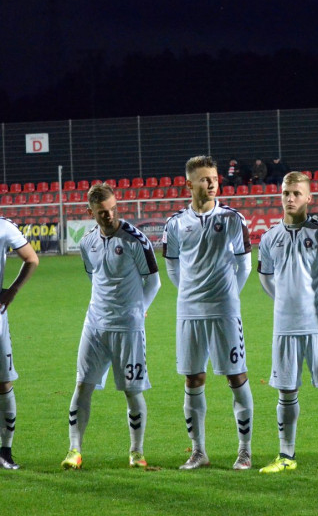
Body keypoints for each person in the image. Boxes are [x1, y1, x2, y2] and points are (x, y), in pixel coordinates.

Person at [256, 171, 318, 474]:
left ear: (309, 198)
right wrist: (285, 302)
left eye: (296, 193)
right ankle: (286, 455)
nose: (290, 198)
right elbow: (265, 276)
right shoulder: (270, 238)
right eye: (286, 192)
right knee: (286, 392)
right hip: (285, 327)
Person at [162, 155, 255, 470]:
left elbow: (244, 264)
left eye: (214, 178)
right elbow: (172, 266)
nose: (212, 183)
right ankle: (199, 452)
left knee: (236, 376)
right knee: (193, 378)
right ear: (189, 184)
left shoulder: (231, 218)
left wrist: (227, 294)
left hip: (224, 310)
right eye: (204, 179)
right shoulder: (175, 223)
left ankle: (244, 451)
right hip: (189, 311)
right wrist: (190, 292)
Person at [61, 184, 161, 470]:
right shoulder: (86, 242)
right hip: (94, 325)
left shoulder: (135, 240)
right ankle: (74, 451)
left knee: (132, 390)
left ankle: (136, 452)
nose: (109, 215)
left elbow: (153, 281)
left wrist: (139, 312)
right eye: (102, 212)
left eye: (113, 209)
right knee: (82, 385)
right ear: (90, 212)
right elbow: (94, 277)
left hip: (127, 327)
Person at [0, 213, 39, 470]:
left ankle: (5, 452)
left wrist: (12, 290)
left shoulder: (3, 227)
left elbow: (31, 259)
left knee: (4, 383)